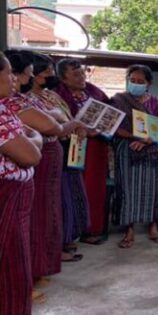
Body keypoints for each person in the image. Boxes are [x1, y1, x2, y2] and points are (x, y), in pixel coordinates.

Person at [4, 50, 86, 301]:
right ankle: (22, 284)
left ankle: (36, 271)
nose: (20, 80)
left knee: (41, 216)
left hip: (33, 170)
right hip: (16, 178)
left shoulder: (24, 100)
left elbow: (55, 121)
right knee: (23, 228)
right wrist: (40, 135)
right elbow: (49, 130)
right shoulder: (11, 105)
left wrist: (42, 131)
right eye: (24, 74)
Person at [28, 54, 89, 260]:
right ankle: (52, 249)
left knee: (64, 198)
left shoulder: (50, 95)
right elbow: (54, 127)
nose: (51, 75)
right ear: (33, 75)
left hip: (66, 151)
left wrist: (77, 127)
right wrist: (74, 126)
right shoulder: (27, 100)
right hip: (45, 155)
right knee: (51, 203)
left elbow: (67, 118)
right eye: (47, 72)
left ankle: (65, 240)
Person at [0, 52, 43, 315]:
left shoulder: (5, 108)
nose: (13, 79)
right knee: (10, 267)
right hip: (8, 196)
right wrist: (36, 137)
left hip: (13, 196)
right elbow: (30, 156)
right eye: (8, 73)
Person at [111, 65, 158, 249]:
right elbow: (114, 126)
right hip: (127, 150)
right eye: (132, 80)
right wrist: (134, 137)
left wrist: (147, 140)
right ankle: (129, 231)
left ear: (149, 83)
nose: (135, 84)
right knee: (127, 190)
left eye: (140, 81)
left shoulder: (156, 101)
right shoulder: (118, 100)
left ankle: (153, 228)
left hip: (152, 151)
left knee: (154, 189)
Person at [55, 59, 111, 245]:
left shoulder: (94, 92)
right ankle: (71, 233)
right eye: (75, 74)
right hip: (71, 146)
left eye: (82, 73)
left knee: (95, 187)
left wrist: (100, 129)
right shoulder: (57, 96)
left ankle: (93, 229)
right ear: (63, 78)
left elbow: (110, 112)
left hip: (96, 147)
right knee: (71, 188)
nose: (81, 78)